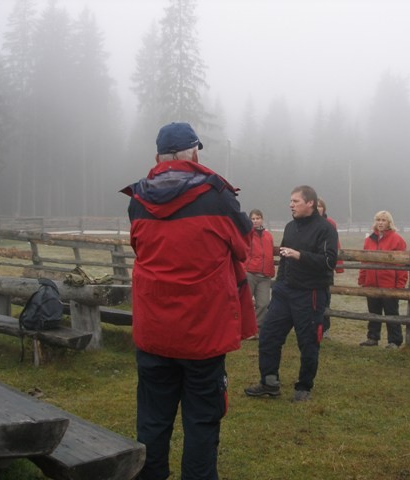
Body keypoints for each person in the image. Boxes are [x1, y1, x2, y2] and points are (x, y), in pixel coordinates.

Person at [121, 122, 256, 480]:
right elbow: (245, 248)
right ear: (194, 153)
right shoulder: (217, 195)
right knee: (201, 422)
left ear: (157, 157)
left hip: (153, 331)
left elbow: (140, 248)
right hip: (203, 333)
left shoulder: (138, 200)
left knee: (152, 420)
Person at [244, 185, 338, 402]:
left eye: (295, 201)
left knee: (307, 342)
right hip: (285, 292)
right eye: (291, 201)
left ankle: (303, 387)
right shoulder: (289, 227)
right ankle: (269, 382)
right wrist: (279, 285)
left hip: (310, 294)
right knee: (268, 335)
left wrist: (300, 255)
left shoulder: (325, 229)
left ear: (310, 203)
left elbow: (329, 262)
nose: (291, 205)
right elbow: (285, 258)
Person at [358, 210, 408, 348]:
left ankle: (394, 340)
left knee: (391, 313)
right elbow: (364, 261)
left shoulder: (397, 239)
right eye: (378, 220)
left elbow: (402, 264)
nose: (380, 223)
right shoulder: (368, 240)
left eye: (383, 220)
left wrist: (400, 284)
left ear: (389, 222)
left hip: (389, 284)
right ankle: (373, 338)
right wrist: (362, 279)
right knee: (373, 311)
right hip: (371, 283)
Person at [245, 209, 275, 336]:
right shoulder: (247, 234)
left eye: (258, 218)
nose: (256, 221)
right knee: (245, 302)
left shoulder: (268, 235)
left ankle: (256, 329)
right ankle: (243, 328)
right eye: (253, 219)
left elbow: (271, 253)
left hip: (265, 275)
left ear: (262, 219)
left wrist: (271, 270)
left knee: (263, 303)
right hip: (250, 273)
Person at [317, 197, 343, 339]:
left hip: (326, 268)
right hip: (311, 268)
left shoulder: (330, 223)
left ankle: (325, 329)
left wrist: (338, 266)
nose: (318, 208)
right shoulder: (308, 221)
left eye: (321, 206)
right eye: (316, 206)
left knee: (325, 298)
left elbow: (336, 244)